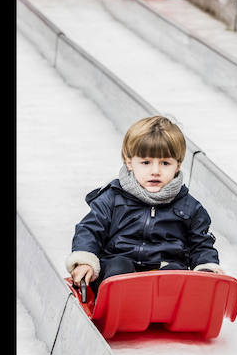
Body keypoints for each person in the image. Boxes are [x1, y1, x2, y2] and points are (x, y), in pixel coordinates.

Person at [66, 115, 224, 292]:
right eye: (146, 162)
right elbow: (90, 229)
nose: (155, 171)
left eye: (165, 163)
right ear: (129, 162)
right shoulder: (112, 198)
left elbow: (201, 244)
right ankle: (118, 309)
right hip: (118, 269)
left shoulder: (189, 207)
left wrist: (206, 267)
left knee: (176, 273)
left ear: (178, 165)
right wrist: (85, 261)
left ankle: (167, 312)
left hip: (163, 272)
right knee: (119, 266)